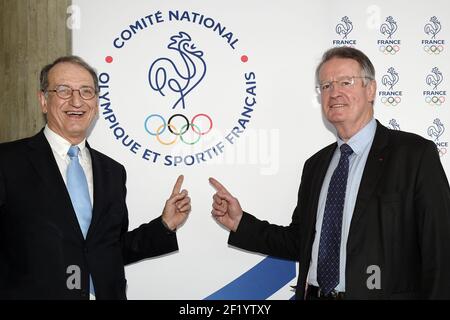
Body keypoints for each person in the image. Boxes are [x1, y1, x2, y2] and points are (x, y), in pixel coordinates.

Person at [210, 46, 450, 300]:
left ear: (370, 90)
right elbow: (300, 241)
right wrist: (240, 223)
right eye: (325, 86)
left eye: (345, 82)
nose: (334, 93)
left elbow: (441, 248)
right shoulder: (316, 165)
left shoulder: (414, 155)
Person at [0, 56, 191, 300]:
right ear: (43, 101)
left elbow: (108, 248)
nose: (76, 100)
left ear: (97, 103)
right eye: (63, 90)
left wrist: (164, 225)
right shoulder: (7, 162)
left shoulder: (112, 171)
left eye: (86, 91)